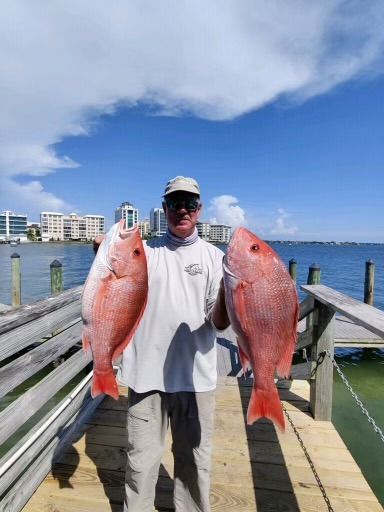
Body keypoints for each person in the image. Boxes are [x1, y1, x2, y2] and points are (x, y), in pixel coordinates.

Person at [95, 176, 230, 512]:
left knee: (194, 464)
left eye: (189, 203)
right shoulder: (146, 252)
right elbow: (112, 275)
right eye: (174, 203)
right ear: (164, 208)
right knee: (140, 463)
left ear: (199, 209)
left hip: (195, 379)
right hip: (145, 377)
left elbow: (220, 322)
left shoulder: (216, 258)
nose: (181, 210)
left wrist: (231, 289)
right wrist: (101, 250)